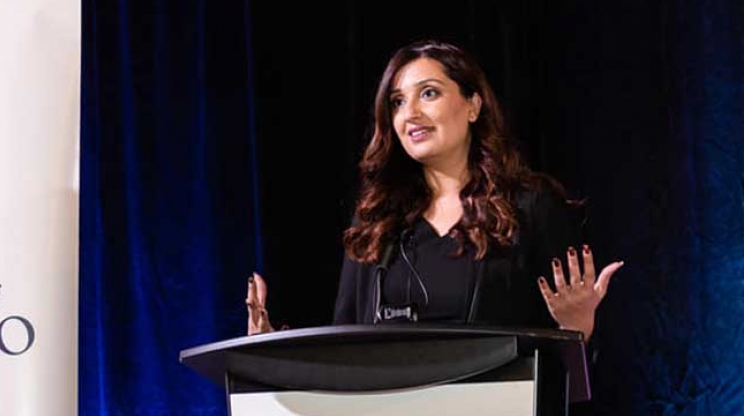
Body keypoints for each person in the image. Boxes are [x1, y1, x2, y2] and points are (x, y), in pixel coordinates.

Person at [247, 40, 622, 339]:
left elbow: (576, 376)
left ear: (473, 105)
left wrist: (579, 326)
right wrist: (267, 354)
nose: (410, 113)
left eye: (428, 93)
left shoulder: (529, 205)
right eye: (397, 102)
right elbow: (345, 347)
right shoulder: (376, 222)